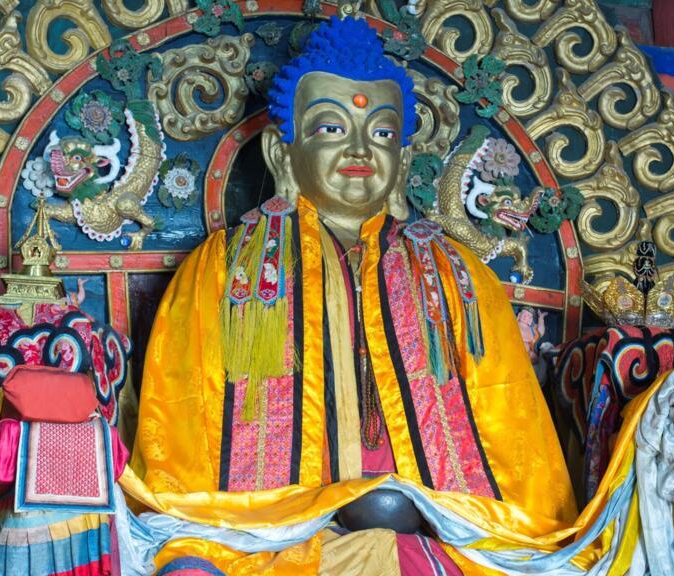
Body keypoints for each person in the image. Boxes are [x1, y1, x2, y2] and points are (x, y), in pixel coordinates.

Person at [122, 16, 578, 574]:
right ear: (281, 154)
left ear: (404, 159)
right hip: (276, 538)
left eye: (382, 133)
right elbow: (179, 429)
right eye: (332, 129)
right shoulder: (222, 271)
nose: (361, 149)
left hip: (436, 536)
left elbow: (516, 434)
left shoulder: (458, 276)